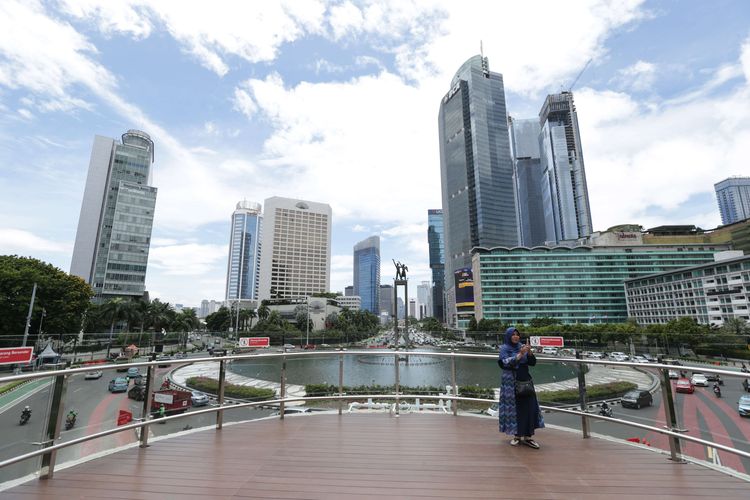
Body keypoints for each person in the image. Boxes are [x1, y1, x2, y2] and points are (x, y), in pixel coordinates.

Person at [497, 326, 544, 449]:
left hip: (526, 380)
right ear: (508, 336)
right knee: (515, 409)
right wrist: (520, 354)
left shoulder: (522, 347)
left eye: (517, 334)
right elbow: (505, 363)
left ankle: (529, 436)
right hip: (511, 383)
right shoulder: (504, 348)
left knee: (529, 407)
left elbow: (532, 363)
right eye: (513, 334)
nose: (516, 336)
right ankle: (517, 436)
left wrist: (528, 352)